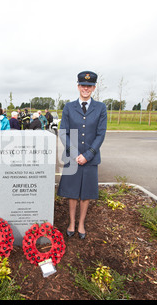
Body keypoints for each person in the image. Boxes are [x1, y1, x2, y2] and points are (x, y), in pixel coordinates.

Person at [57, 71, 107, 239]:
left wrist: (88, 155)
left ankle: (81, 223)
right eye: (82, 85)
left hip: (90, 159)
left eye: (89, 86)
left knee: (86, 193)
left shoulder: (100, 108)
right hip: (73, 158)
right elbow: (63, 132)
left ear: (93, 87)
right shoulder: (69, 107)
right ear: (78, 86)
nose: (85, 88)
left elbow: (101, 134)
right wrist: (75, 154)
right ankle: (71, 222)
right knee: (72, 192)